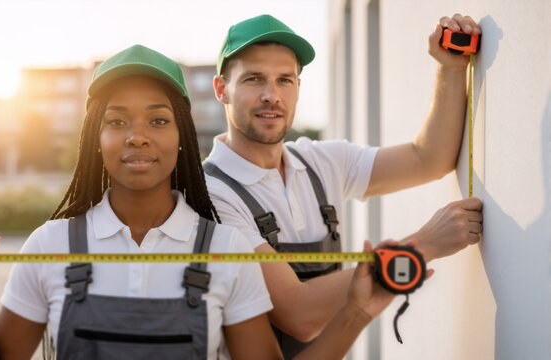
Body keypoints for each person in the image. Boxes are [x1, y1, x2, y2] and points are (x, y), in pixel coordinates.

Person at [0, 44, 429, 360]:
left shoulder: (229, 252)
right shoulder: (51, 244)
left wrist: (357, 312)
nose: (138, 137)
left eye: (158, 120)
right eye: (117, 121)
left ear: (184, 137)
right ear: (94, 140)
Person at [204, 14, 483, 357]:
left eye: (284, 80)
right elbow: (298, 313)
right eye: (253, 79)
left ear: (298, 88)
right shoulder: (212, 195)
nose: (271, 95)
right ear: (221, 90)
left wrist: (451, 68)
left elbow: (428, 158)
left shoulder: (321, 162)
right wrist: (419, 247)